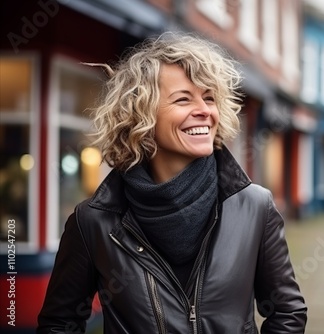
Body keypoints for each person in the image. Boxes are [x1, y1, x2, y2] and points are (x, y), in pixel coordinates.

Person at [37, 32, 307, 333]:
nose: (205, 111)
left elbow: (287, 313)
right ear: (141, 114)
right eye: (183, 99)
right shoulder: (93, 222)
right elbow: (59, 323)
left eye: (209, 98)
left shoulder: (255, 207)